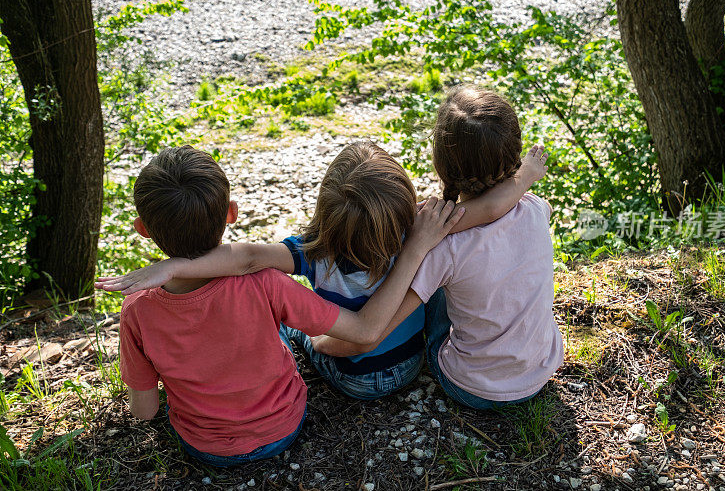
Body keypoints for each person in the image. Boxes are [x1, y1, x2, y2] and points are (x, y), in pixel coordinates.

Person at [99, 140, 546, 401]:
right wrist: (524, 177)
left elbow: (247, 258)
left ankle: (290, 352)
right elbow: (488, 209)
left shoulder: (312, 250)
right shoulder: (415, 226)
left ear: (326, 210)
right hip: (410, 366)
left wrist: (176, 264)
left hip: (352, 378)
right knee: (442, 283)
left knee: (284, 319)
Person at [99, 145, 462, 466]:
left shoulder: (137, 311)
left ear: (142, 229)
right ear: (231, 213)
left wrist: (173, 268)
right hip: (292, 422)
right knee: (289, 321)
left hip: (205, 446)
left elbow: (144, 412)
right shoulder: (269, 284)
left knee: (287, 326)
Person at [314, 86, 562, 410]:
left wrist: (320, 343)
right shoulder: (536, 208)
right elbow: (496, 211)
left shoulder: (442, 247)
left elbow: (375, 330)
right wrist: (524, 178)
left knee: (427, 279)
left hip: (472, 388)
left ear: (442, 163)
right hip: (541, 370)